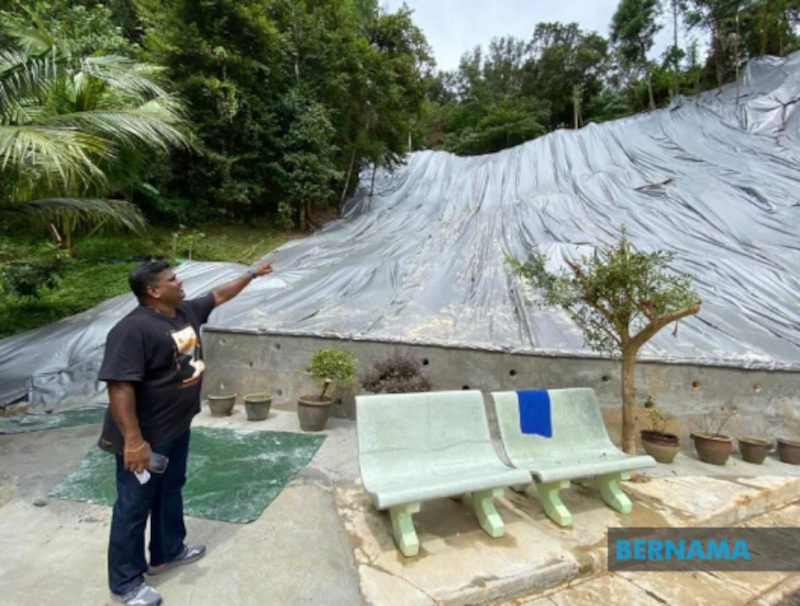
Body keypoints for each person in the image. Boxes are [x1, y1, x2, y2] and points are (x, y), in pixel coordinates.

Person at [98, 259, 273, 606]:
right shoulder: (133, 330)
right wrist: (133, 441)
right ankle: (126, 583)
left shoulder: (184, 312)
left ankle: (168, 551)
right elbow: (119, 386)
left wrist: (251, 275)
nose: (180, 282)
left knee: (171, 490)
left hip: (176, 427)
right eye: (172, 279)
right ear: (153, 291)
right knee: (133, 507)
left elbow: (220, 295)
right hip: (145, 437)